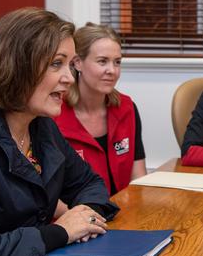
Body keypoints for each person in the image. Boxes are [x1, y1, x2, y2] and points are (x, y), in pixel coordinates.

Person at [0, 8, 119, 256]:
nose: (69, 77)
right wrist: (58, 233)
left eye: (70, 65)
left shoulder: (40, 124)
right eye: (57, 64)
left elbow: (89, 183)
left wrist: (83, 216)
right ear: (16, 65)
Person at [54, 23, 146, 196]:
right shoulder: (54, 115)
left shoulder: (127, 108)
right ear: (78, 63)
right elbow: (48, 194)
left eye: (117, 62)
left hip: (123, 214)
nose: (112, 70)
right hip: (75, 217)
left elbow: (138, 177)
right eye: (102, 61)